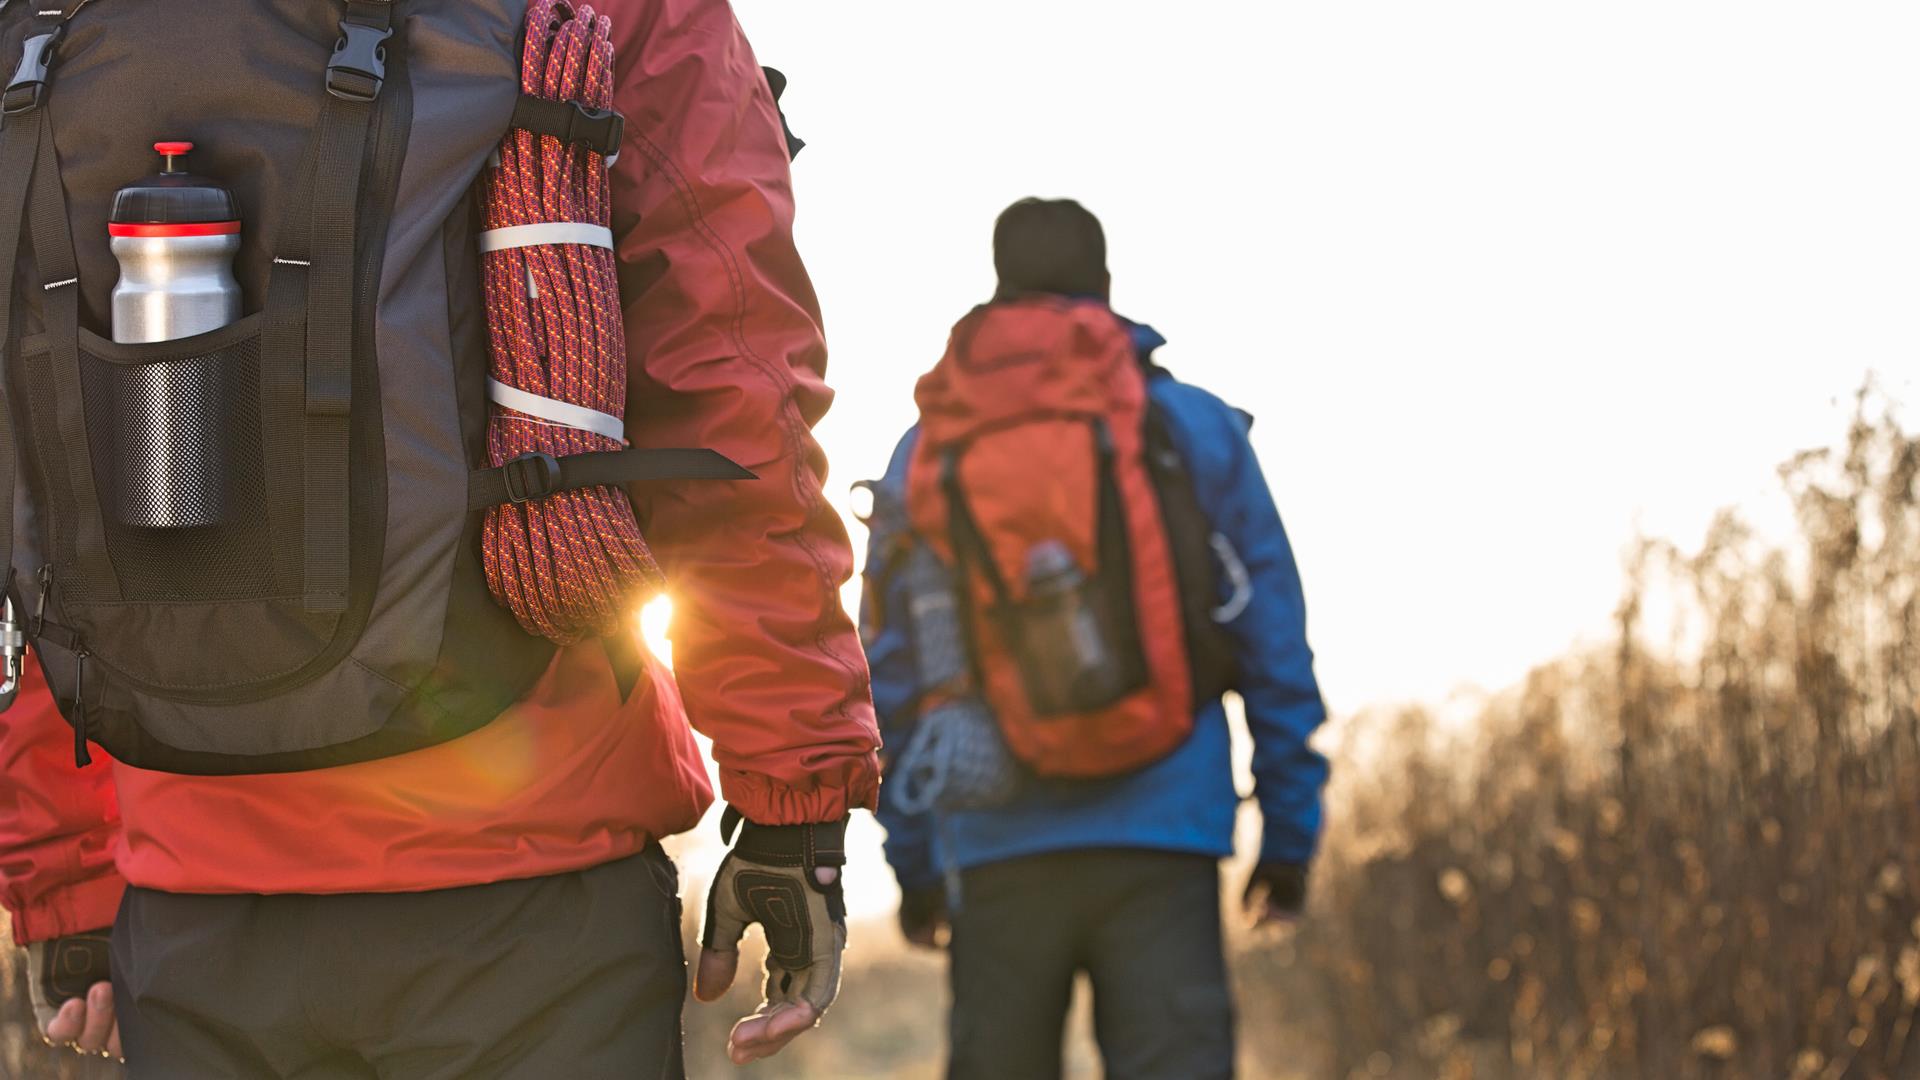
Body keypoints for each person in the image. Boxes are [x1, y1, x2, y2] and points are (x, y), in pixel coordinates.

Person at [0, 0, 879, 1075]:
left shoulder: (55, 26)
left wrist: (63, 869)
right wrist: (794, 800)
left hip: (189, 902)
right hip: (531, 892)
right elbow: (733, 383)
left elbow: (36, 466)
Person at [863, 197, 1330, 1080]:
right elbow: (1274, 634)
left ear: (998, 294)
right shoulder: (1192, 426)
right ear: (1107, 292)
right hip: (1165, 829)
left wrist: (916, 862)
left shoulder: (926, 451)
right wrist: (1291, 832)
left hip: (995, 839)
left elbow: (889, 670)